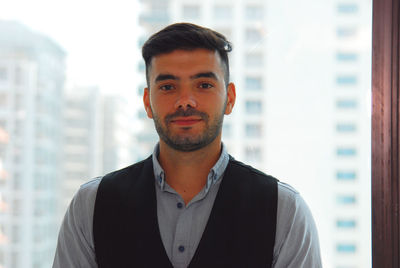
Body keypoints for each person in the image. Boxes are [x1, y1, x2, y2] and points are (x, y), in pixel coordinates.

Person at [53, 23, 322, 268]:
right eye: (168, 87)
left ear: (230, 98)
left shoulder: (285, 211)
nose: (186, 101)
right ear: (148, 102)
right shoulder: (91, 206)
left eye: (203, 84)